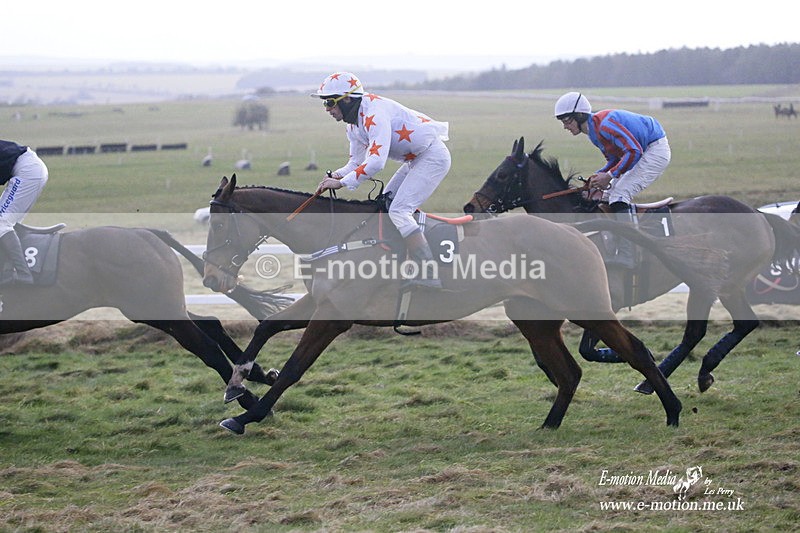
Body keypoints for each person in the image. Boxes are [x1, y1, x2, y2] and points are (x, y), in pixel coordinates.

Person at [314, 72, 451, 288]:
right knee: (385, 204)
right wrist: (335, 176)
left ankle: (429, 273)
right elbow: (355, 163)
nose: (327, 109)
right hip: (416, 160)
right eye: (325, 104)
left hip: (432, 157)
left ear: (347, 99)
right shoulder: (353, 124)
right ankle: (400, 261)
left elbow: (376, 163)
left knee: (398, 210)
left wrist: (341, 183)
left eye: (330, 103)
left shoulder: (374, 114)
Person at [554, 91, 671, 269]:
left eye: (567, 121)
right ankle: (616, 242)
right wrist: (596, 176)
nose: (565, 126)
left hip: (654, 150)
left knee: (619, 195)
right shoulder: (593, 132)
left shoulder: (605, 125)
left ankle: (629, 253)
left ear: (579, 115)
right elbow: (614, 160)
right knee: (605, 196)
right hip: (641, 149)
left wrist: (608, 175)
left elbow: (634, 152)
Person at [0, 139, 49, 285]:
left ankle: (23, 274)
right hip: (29, 168)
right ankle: (7, 271)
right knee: (7, 223)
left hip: (27, 171)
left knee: (2, 222)